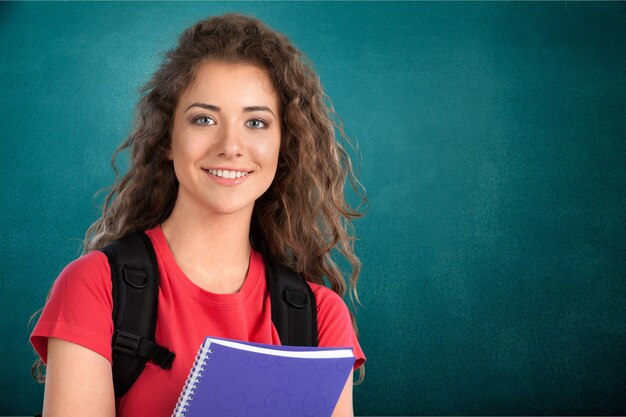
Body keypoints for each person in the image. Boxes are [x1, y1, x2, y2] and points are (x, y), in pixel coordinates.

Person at [30, 13, 365, 417]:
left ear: (283, 145)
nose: (230, 145)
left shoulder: (320, 316)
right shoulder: (94, 287)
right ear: (167, 137)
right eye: (204, 119)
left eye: (256, 122)